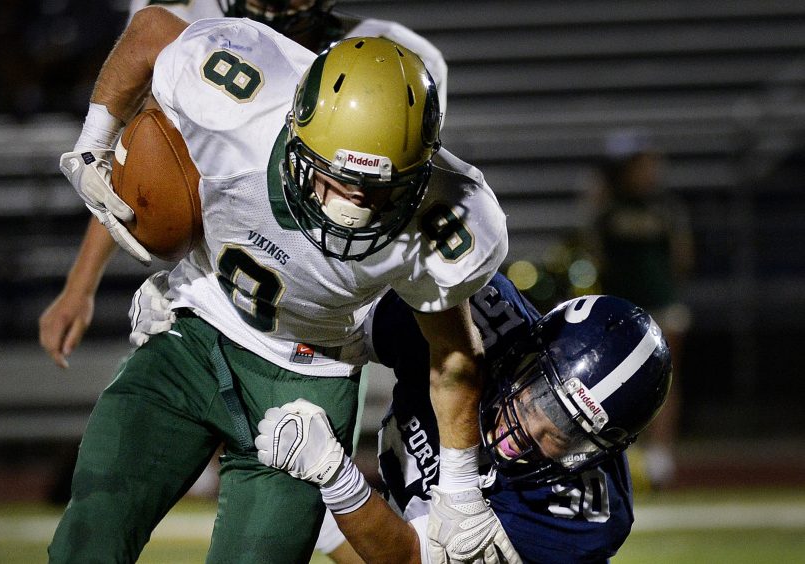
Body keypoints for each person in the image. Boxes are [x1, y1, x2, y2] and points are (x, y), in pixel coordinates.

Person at [49, 9, 507, 563]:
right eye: (338, 178)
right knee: (90, 532)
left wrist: (460, 490)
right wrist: (96, 140)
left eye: (376, 189)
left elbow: (454, 352)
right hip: (194, 330)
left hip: (308, 379)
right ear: (296, 129)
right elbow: (149, 31)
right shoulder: (242, 98)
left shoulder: (447, 213)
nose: (350, 206)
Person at [39, 0, 448, 370]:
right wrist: (86, 286)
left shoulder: (395, 62)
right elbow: (148, 161)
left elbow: (391, 206)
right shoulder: (203, 28)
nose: (273, 5)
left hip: (330, 297)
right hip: (228, 250)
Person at [254, 273, 672, 563]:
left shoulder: (577, 514)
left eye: (569, 432)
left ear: (598, 452)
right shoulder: (479, 318)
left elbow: (410, 558)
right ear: (527, 355)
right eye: (542, 396)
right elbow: (338, 328)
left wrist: (334, 475)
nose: (531, 431)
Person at [585, 130, 693, 490]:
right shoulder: (606, 211)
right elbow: (594, 257)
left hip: (660, 304)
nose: (648, 172)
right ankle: (624, 455)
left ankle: (660, 458)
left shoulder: (665, 208)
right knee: (619, 381)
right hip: (623, 311)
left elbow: (682, 258)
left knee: (666, 381)